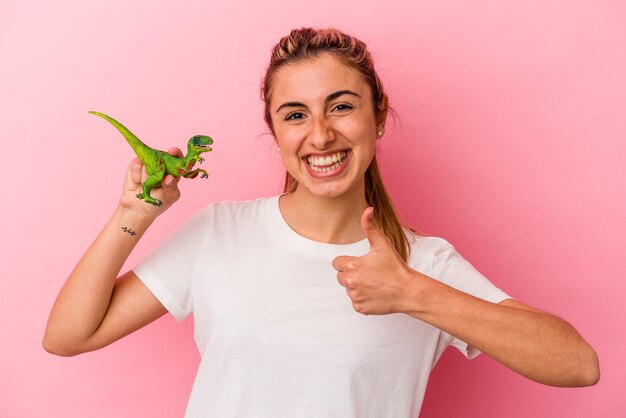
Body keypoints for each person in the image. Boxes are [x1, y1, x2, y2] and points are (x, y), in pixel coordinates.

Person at [44, 28, 600, 417]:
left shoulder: (423, 264)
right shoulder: (220, 232)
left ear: (378, 116)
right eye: (295, 115)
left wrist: (412, 293)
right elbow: (68, 336)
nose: (320, 135)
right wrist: (130, 215)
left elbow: (577, 364)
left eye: (341, 106)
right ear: (275, 131)